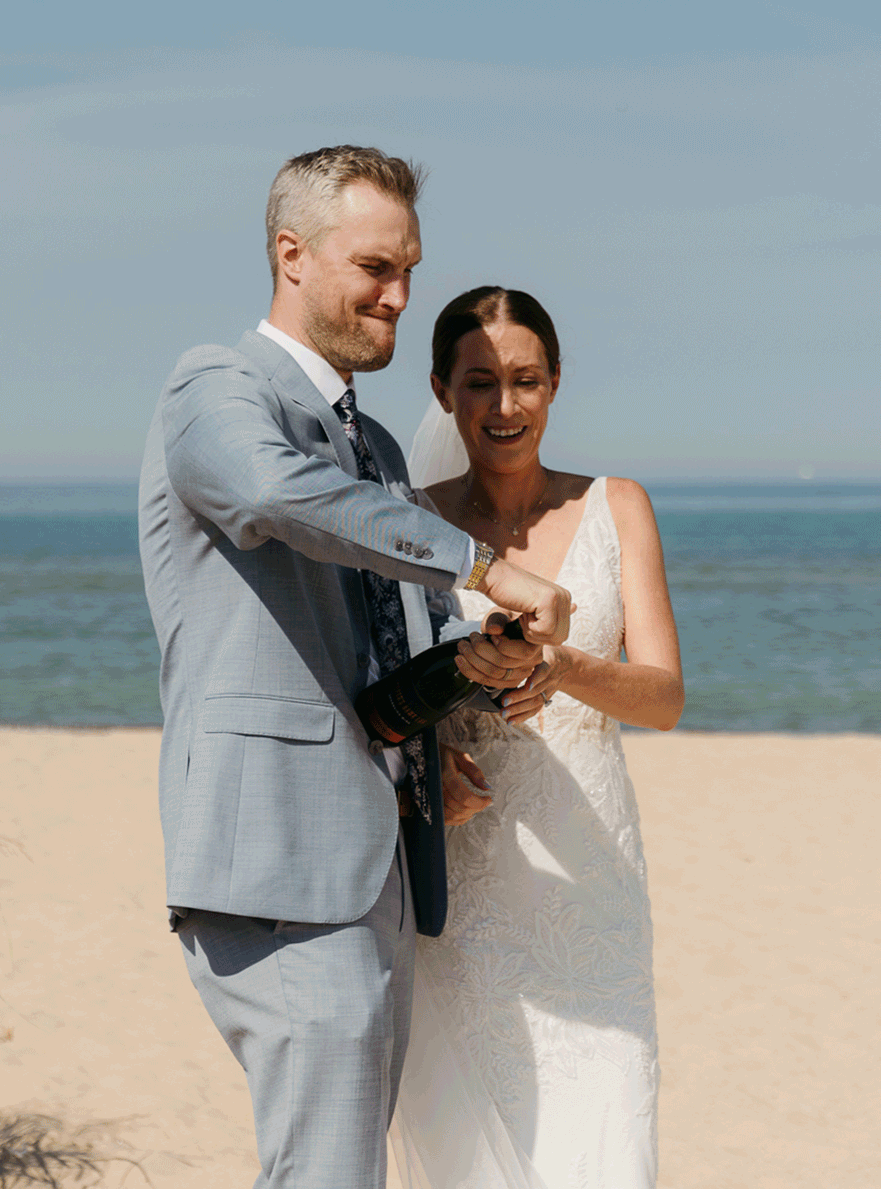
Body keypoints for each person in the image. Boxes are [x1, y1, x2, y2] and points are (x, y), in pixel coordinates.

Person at [138, 149, 573, 1188]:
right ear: (290, 254)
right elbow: (279, 497)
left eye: (410, 269)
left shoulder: (372, 443)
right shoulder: (216, 388)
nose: (399, 296)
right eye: (376, 267)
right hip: (276, 863)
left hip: (373, 863)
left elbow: (383, 647)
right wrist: (480, 562)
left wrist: (454, 693)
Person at [391, 286, 684, 1188]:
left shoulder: (617, 504)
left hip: (591, 882)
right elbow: (383, 685)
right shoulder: (407, 517)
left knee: (606, 1146)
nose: (504, 406)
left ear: (555, 385)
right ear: (443, 391)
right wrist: (431, 756)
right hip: (470, 887)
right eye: (480, 382)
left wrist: (565, 671)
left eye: (525, 380)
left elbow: (665, 696)